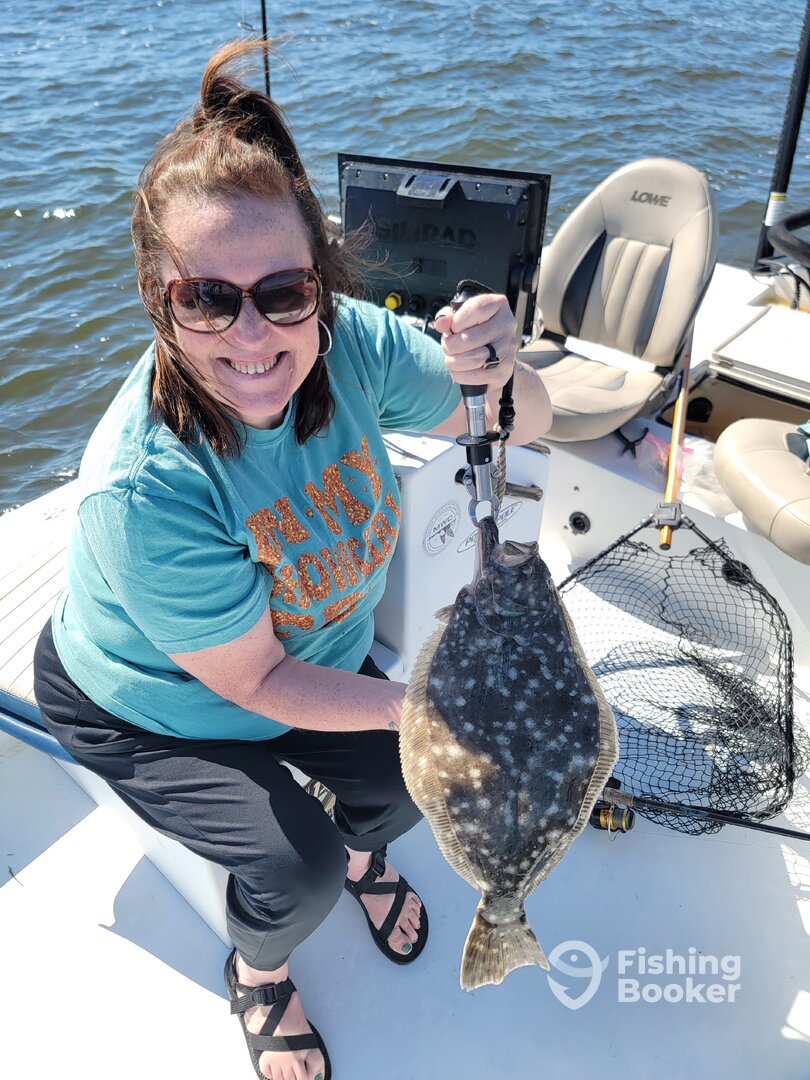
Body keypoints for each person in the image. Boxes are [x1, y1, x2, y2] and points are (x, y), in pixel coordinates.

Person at [32, 39, 552, 1080]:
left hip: (305, 656)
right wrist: (424, 706)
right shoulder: (145, 486)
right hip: (154, 702)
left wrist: (503, 368)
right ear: (159, 300)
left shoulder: (350, 344)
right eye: (206, 299)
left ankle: (366, 854)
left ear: (320, 283)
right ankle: (259, 971)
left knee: (405, 793)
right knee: (296, 871)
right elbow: (258, 683)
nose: (252, 334)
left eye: (281, 291)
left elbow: (524, 425)